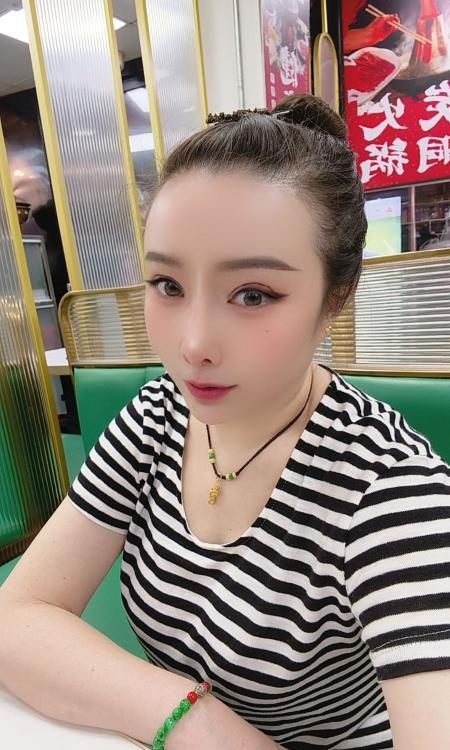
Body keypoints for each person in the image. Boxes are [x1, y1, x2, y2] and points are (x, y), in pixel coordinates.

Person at [0, 94, 450, 750]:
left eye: (253, 294)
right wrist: (193, 716)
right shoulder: (158, 415)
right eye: (168, 285)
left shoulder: (390, 490)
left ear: (336, 297)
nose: (194, 345)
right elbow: (18, 615)